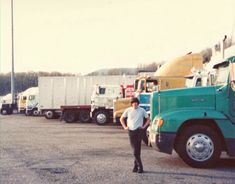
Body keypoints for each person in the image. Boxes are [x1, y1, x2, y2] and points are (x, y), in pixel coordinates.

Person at [120, 97, 150, 173]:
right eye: (133, 103)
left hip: (139, 131)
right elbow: (121, 119)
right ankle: (139, 167)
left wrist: (143, 127)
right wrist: (125, 127)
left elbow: (148, 119)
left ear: (138, 103)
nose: (135, 104)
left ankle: (137, 167)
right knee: (135, 151)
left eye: (136, 102)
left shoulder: (142, 110)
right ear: (131, 104)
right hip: (131, 131)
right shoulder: (128, 110)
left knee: (137, 150)